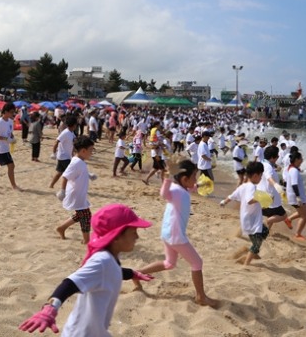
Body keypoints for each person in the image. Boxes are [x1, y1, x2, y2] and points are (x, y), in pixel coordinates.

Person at [19, 204, 152, 336]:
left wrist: (132, 273)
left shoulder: (108, 259)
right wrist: (50, 308)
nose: (137, 237)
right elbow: (70, 283)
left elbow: (112, 272)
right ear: (116, 236)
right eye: (133, 232)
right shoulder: (102, 261)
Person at [132, 160, 219, 308]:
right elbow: (164, 193)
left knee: (169, 264)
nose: (195, 179)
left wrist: (200, 185)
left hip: (168, 233)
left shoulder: (182, 189)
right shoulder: (175, 191)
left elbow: (190, 189)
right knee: (197, 263)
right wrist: (166, 178)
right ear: (184, 179)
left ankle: (137, 274)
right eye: (194, 177)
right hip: (176, 236)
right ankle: (201, 297)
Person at [220, 162, 269, 265]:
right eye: (261, 176)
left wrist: (224, 202)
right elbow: (249, 200)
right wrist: (264, 197)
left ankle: (249, 252)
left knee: (264, 232)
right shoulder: (251, 187)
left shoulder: (243, 186)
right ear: (255, 175)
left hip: (247, 220)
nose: (261, 178)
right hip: (252, 222)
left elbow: (231, 196)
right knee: (256, 244)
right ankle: (246, 263)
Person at [56, 136, 97, 243]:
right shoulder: (76, 162)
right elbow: (65, 176)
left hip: (80, 193)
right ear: (83, 151)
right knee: (86, 216)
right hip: (76, 194)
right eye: (91, 150)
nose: (92, 153)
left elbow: (80, 172)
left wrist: (89, 175)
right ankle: (86, 240)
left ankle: (62, 227)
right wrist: (62, 191)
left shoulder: (80, 160)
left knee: (81, 214)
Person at [257, 145, 291, 231]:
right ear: (272, 157)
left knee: (270, 214)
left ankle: (265, 231)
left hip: (261, 194)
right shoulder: (268, 166)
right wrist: (276, 185)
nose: (278, 157)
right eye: (277, 156)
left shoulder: (262, 163)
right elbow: (269, 177)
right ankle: (265, 224)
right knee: (283, 216)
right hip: (270, 197)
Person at [285, 152, 306, 240]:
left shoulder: (293, 169)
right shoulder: (294, 171)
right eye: (301, 158)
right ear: (296, 160)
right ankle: (298, 234)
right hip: (295, 197)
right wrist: (298, 197)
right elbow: (294, 185)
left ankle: (289, 219)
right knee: (305, 215)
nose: (302, 160)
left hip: (296, 196)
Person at [50, 116, 77, 188]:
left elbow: (74, 140)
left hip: (66, 156)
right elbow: (56, 142)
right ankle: (68, 188)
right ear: (74, 125)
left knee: (59, 172)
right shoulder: (65, 133)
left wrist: (73, 152)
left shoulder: (71, 132)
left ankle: (51, 185)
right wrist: (53, 152)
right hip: (63, 157)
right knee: (70, 173)